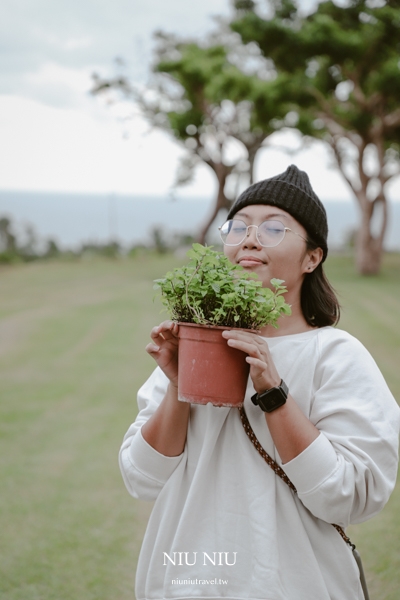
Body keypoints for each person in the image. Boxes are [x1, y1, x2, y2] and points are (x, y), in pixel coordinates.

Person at [119, 165, 400, 600]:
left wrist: (274, 395)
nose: (250, 238)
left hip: (293, 584)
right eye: (239, 226)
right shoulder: (192, 345)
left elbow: (350, 497)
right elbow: (142, 478)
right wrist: (178, 386)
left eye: (274, 228)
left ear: (313, 257)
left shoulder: (336, 355)